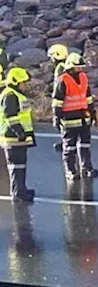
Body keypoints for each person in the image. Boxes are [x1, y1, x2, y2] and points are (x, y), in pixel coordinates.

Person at [52, 52, 98, 181]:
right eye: (78, 67)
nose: (80, 69)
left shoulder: (83, 77)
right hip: (69, 120)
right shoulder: (63, 80)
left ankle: (87, 168)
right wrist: (57, 117)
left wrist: (92, 112)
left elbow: (88, 97)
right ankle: (70, 170)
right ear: (70, 67)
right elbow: (57, 101)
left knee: (85, 145)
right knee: (69, 147)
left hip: (84, 118)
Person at [1, 67, 37, 203]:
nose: (25, 85)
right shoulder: (10, 96)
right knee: (16, 166)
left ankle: (21, 189)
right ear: (15, 82)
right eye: (23, 82)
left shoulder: (15, 94)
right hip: (12, 137)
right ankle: (17, 192)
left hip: (18, 138)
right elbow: (10, 117)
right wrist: (20, 133)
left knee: (20, 165)